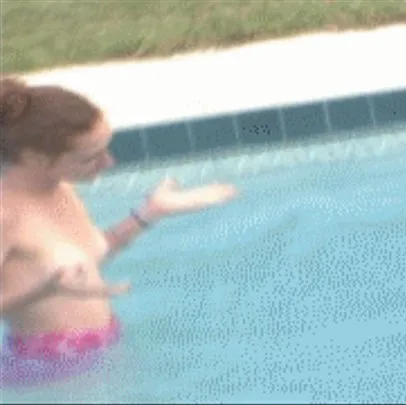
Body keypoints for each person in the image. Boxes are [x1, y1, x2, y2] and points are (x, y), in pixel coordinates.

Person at [0, 77, 238, 385]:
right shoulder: (5, 215)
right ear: (36, 158)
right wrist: (41, 291)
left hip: (104, 343)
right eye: (90, 157)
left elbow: (93, 254)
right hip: (49, 365)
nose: (109, 162)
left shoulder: (63, 190)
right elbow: (55, 281)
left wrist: (150, 213)